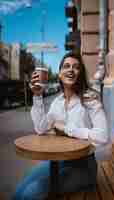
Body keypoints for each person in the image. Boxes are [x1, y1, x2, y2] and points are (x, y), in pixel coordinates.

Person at [13, 52, 108, 200]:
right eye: (66, 66)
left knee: (29, 193)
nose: (71, 70)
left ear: (80, 74)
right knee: (19, 190)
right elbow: (41, 128)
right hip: (58, 161)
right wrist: (37, 96)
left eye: (76, 67)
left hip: (84, 167)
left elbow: (102, 136)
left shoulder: (89, 98)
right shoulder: (57, 102)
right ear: (59, 74)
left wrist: (66, 128)